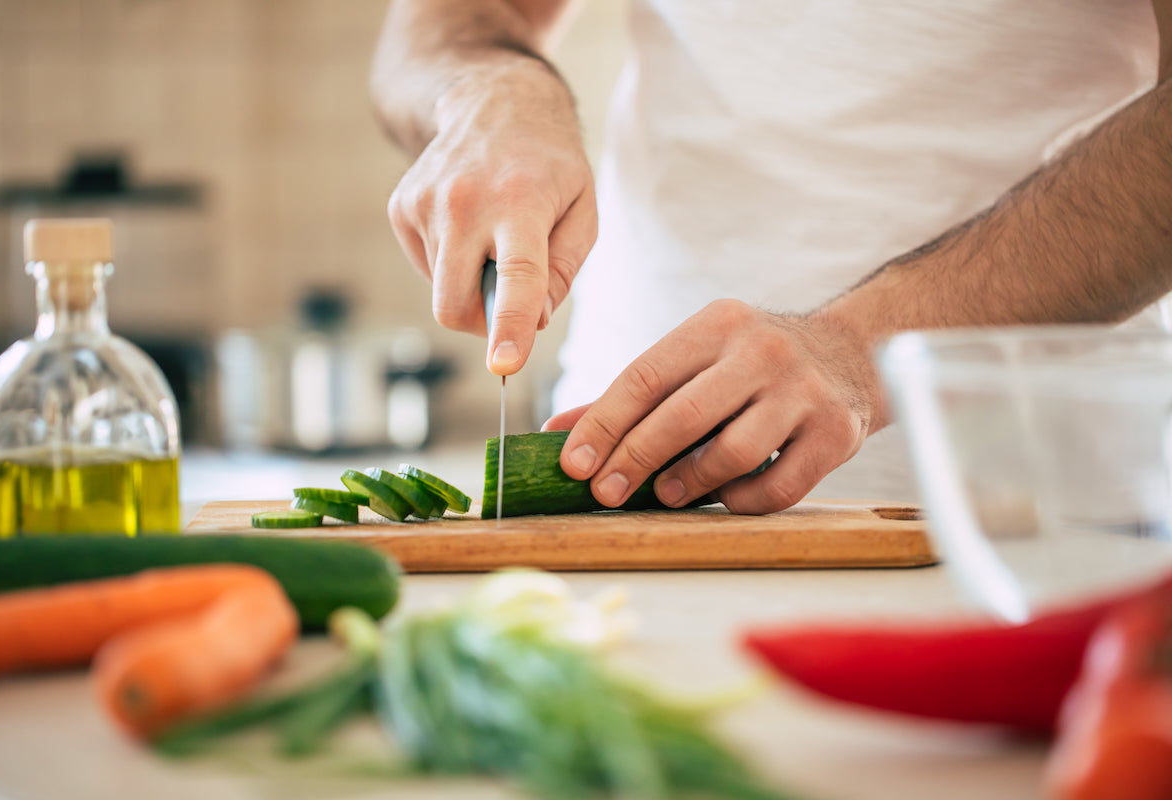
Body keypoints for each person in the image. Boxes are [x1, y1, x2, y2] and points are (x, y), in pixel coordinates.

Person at [370, 1, 1172, 515]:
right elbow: (445, 22)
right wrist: (489, 89)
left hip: (1035, 510)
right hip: (620, 491)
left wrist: (861, 348)